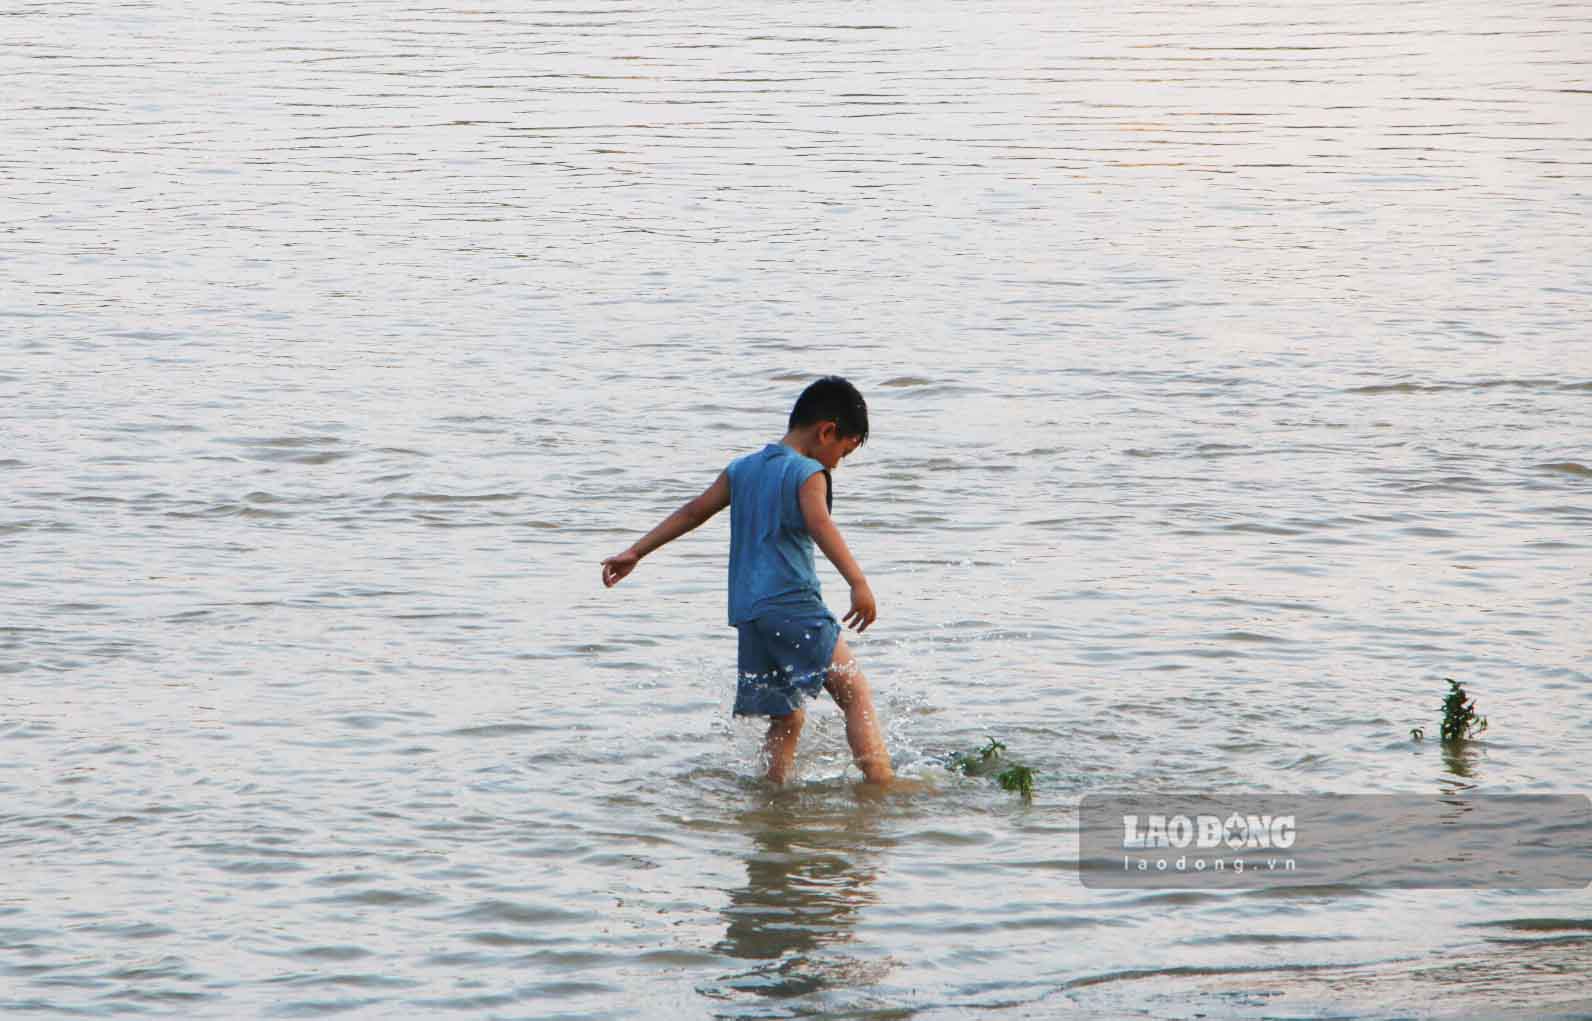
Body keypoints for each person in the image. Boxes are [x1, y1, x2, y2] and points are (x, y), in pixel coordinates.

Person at [601, 376, 895, 785]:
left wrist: (637, 551)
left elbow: (692, 512)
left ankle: (772, 797)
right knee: (856, 694)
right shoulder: (809, 473)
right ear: (827, 430)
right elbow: (819, 524)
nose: (836, 464)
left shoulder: (742, 469)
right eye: (842, 453)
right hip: (793, 604)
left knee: (787, 717)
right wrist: (858, 582)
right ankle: (881, 786)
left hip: (751, 615)